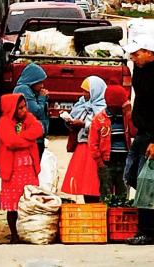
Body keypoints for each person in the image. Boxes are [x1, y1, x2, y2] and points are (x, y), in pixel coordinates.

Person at [0, 93, 43, 244]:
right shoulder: (3, 122)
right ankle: (14, 234)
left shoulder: (29, 119)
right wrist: (28, 140)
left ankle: (28, 232)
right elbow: (10, 142)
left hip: (29, 168)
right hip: (12, 170)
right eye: (20, 108)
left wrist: (20, 138)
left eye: (24, 107)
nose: (24, 110)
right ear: (12, 109)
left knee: (29, 200)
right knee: (13, 204)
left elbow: (38, 130)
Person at [122, 35, 154, 245]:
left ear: (150, 53)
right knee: (131, 175)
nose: (133, 57)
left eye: (137, 53)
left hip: (151, 136)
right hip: (141, 133)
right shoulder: (140, 72)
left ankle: (147, 230)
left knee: (146, 183)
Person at [61, 76, 107, 203]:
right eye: (83, 91)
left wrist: (83, 124)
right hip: (83, 146)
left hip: (95, 149)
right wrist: (69, 121)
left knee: (94, 181)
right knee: (84, 182)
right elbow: (75, 118)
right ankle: (89, 207)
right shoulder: (81, 104)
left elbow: (102, 127)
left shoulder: (102, 107)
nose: (84, 94)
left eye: (87, 91)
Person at [89, 85, 135, 199]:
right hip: (107, 163)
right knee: (106, 196)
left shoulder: (126, 116)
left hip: (124, 162)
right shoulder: (99, 119)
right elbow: (93, 143)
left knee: (123, 197)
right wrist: (100, 163)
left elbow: (134, 133)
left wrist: (129, 114)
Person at [13, 63, 49, 157]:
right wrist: (42, 98)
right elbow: (35, 111)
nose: (42, 86)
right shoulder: (23, 89)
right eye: (40, 83)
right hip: (31, 138)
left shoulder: (30, 91)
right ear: (32, 81)